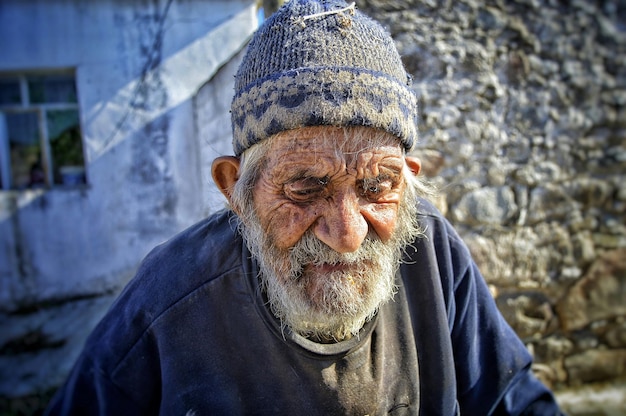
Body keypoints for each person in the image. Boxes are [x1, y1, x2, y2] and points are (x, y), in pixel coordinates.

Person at [45, 0, 564, 414]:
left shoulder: (434, 257)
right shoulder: (167, 303)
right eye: (305, 188)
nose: (348, 234)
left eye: (376, 185)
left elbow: (511, 401)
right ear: (235, 191)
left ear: (407, 184)